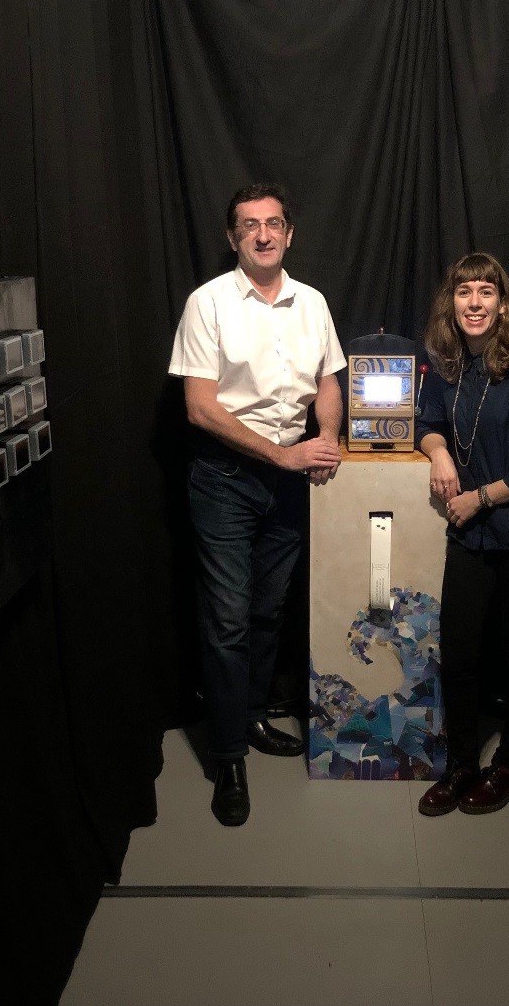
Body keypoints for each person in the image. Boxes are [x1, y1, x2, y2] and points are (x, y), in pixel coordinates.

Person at [168, 183, 346, 827]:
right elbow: (199, 407)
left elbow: (329, 378)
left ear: (289, 234)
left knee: (269, 611)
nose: (264, 235)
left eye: (274, 224)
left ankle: (249, 719)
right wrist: (282, 456)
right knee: (227, 621)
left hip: (290, 481)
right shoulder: (208, 303)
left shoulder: (313, 303)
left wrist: (325, 436)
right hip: (225, 479)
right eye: (250, 226)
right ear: (233, 238)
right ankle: (228, 757)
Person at [414, 252, 509, 817]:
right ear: (450, 303)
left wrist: (478, 497)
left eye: (485, 292)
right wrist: (440, 455)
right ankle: (461, 767)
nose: (474, 303)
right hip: (472, 537)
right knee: (457, 656)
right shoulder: (448, 366)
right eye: (464, 292)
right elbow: (426, 422)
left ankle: (508, 769)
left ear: (502, 304)